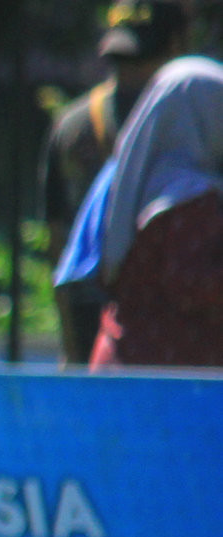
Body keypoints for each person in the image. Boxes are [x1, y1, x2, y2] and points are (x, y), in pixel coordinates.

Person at [43, 3, 189, 363]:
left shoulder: (72, 125)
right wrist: (71, 345)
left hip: (167, 319)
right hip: (116, 317)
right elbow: (57, 238)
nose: (128, 75)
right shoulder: (76, 127)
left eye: (139, 60)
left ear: (175, 47)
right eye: (121, 61)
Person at [91, 52, 223, 367]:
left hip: (125, 359)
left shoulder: (136, 179)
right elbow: (191, 282)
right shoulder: (190, 197)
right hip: (165, 378)